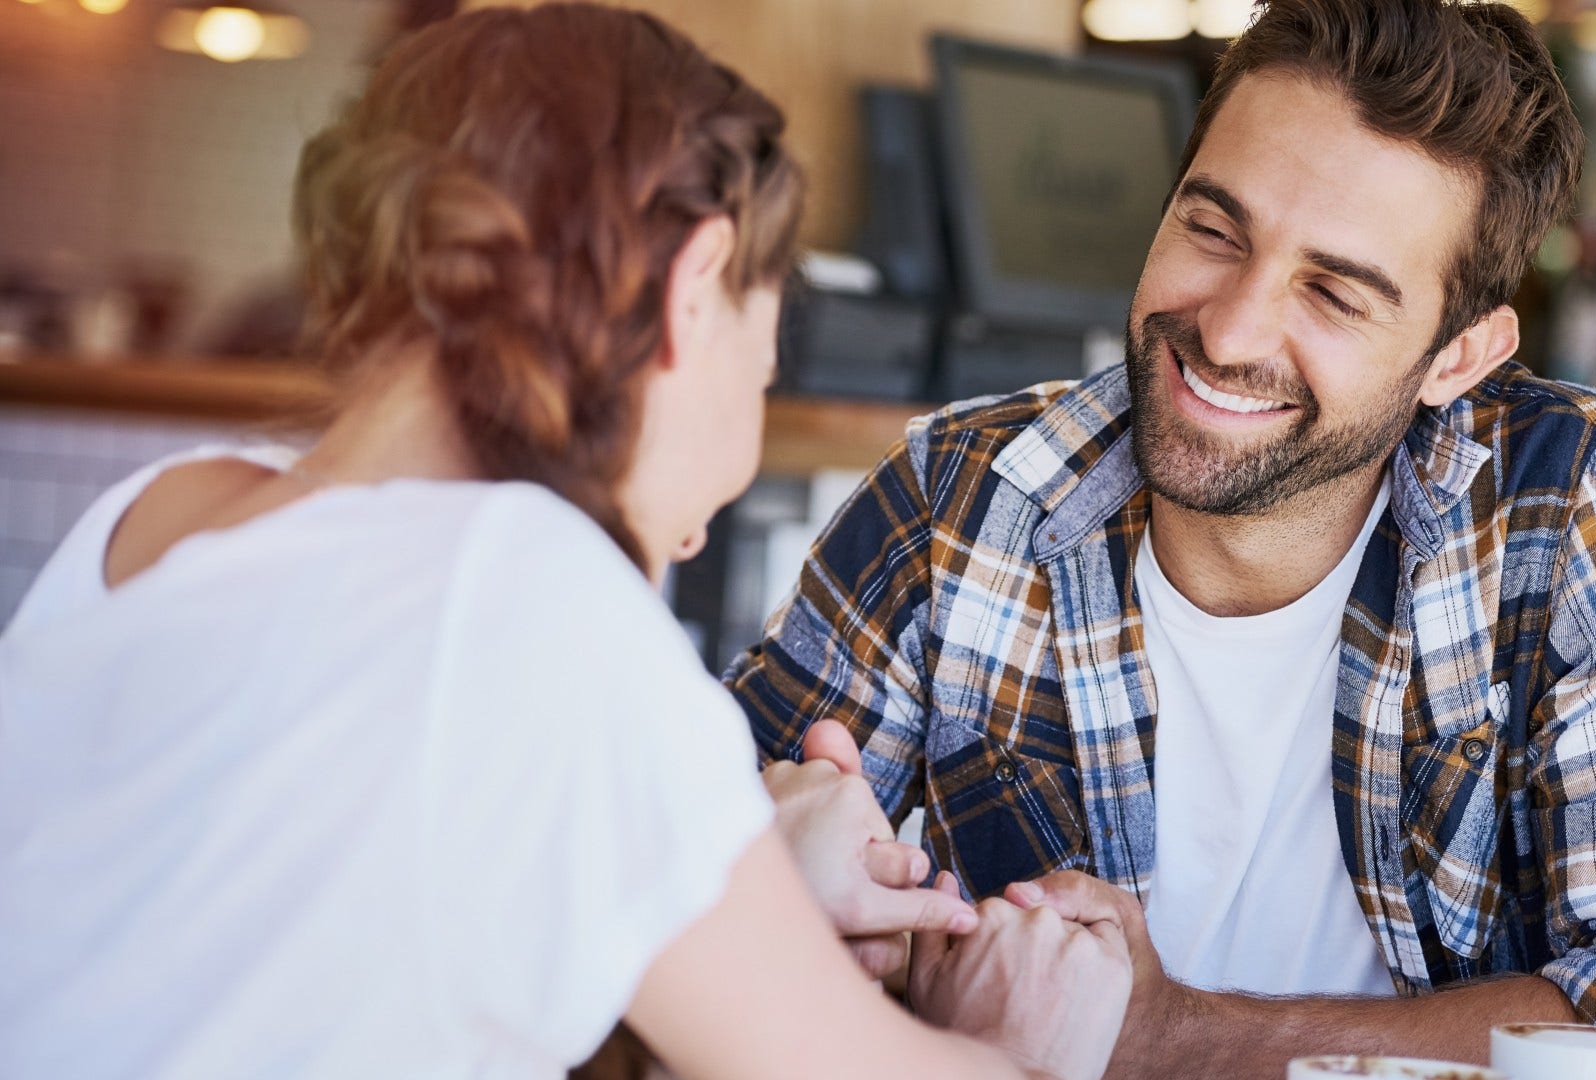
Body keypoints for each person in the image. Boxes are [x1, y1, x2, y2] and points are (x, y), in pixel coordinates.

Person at [0, 6, 1131, 1079]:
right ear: (696, 286)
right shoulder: (527, 591)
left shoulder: (157, 516)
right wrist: (1024, 1037)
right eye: (760, 369)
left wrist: (745, 881)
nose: (701, 519)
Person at [727, 1, 1596, 1077]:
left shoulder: (1567, 498)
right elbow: (682, 902)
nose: (1230, 328)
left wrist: (1166, 1035)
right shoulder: (961, 495)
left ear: (1458, 357)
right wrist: (782, 876)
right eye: (1214, 231)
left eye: (1334, 293)